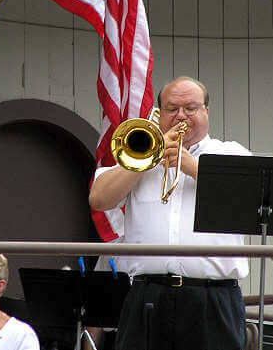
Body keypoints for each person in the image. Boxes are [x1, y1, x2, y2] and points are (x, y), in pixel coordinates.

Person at [89, 76, 251, 350]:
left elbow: (250, 198)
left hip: (212, 299)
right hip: (147, 295)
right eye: (172, 108)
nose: (181, 116)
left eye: (190, 108)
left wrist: (191, 167)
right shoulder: (140, 153)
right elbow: (99, 198)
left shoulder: (229, 152)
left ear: (206, 112)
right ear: (159, 114)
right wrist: (142, 160)